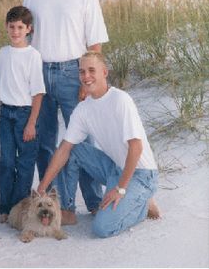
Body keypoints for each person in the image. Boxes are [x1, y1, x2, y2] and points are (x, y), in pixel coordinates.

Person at [23, 0, 108, 221]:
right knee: (45, 142)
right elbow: (25, 38)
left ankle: (94, 201)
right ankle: (56, 204)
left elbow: (94, 45)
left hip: (74, 72)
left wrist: (87, 82)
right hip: (41, 71)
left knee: (81, 140)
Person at [37, 51, 160, 238]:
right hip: (114, 168)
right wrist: (42, 186)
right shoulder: (83, 109)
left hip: (141, 174)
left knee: (102, 228)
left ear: (104, 72)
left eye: (91, 70)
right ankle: (68, 210)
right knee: (71, 148)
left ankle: (142, 203)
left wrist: (120, 188)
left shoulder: (120, 100)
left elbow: (136, 148)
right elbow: (64, 149)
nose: (86, 76)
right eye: (82, 71)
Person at [0, 6, 46, 223]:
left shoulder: (33, 56)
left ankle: (19, 208)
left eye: (20, 27)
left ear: (28, 29)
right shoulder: (3, 53)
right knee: (6, 161)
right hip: (6, 114)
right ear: (6, 27)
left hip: (26, 115)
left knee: (25, 163)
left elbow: (38, 93)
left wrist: (31, 123)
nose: (15, 31)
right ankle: (5, 207)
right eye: (12, 27)